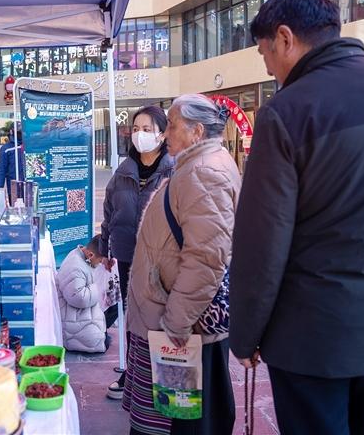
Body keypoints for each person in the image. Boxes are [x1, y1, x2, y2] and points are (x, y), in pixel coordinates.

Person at [229, 0, 364, 434]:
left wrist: (244, 334)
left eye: (265, 54)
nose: (268, 68)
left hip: (312, 335)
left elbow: (261, 243)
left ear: (285, 38)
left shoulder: (287, 112)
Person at [123, 94, 240, 435]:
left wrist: (176, 323)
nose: (165, 133)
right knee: (182, 414)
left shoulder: (205, 172)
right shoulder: (198, 165)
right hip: (177, 314)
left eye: (172, 125)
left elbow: (206, 259)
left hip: (183, 322)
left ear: (196, 131)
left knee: (181, 418)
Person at [100, 106, 174, 400]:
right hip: (127, 255)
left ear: (162, 134)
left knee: (159, 319)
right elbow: (109, 212)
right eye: (135, 129)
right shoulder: (123, 171)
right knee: (132, 319)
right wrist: (105, 247)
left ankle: (165, 380)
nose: (139, 134)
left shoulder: (173, 170)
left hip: (161, 260)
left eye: (147, 129)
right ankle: (133, 375)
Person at [57, 235, 112, 353]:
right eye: (100, 261)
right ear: (91, 255)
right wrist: (101, 286)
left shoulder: (82, 256)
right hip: (74, 319)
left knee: (116, 300)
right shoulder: (75, 267)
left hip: (79, 314)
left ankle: (103, 330)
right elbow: (79, 298)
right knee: (103, 343)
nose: (100, 264)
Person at [0, 128, 24, 199]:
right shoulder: (6, 149)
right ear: (11, 131)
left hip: (31, 187)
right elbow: (1, 171)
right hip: (14, 188)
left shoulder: (30, 146)